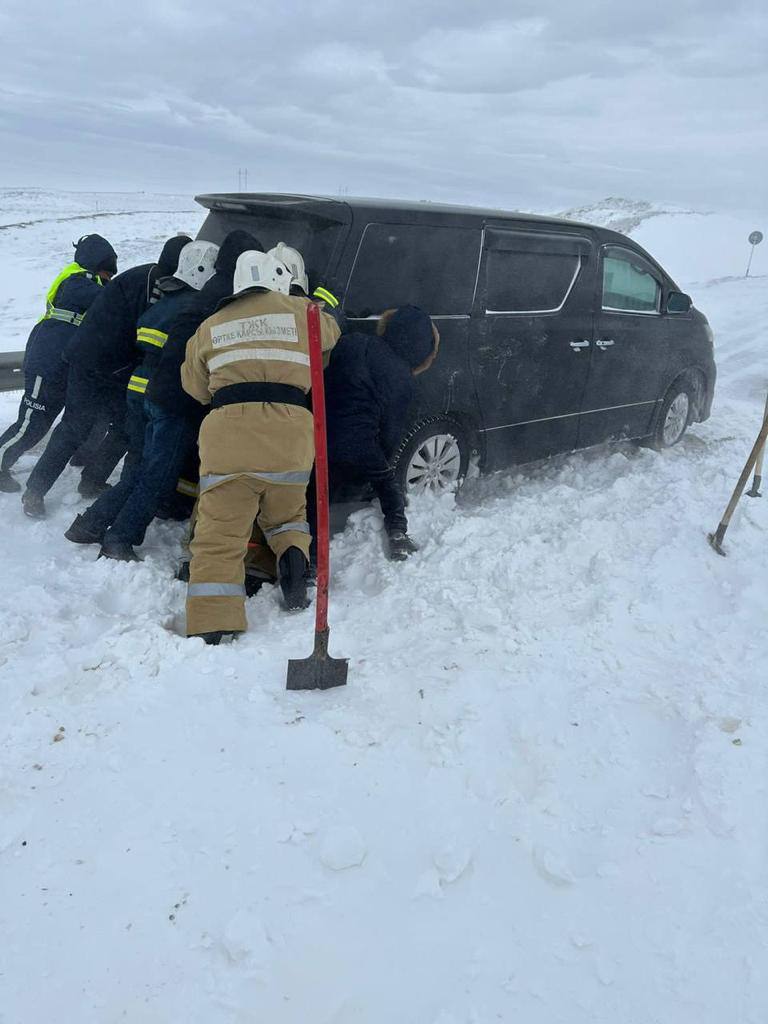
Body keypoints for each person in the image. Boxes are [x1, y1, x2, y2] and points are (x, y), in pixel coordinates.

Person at [181, 249, 340, 645]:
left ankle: (215, 621)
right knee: (288, 514)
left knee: (220, 533)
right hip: (291, 433)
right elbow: (332, 335)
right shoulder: (303, 312)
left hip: (229, 435)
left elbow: (194, 387)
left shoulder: (211, 325)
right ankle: (292, 567)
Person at [63, 241, 219, 560]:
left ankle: (90, 523)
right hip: (167, 396)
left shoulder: (163, 301)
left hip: (138, 389)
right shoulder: (195, 309)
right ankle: (120, 538)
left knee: (137, 468)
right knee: (157, 475)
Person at [18, 235, 191, 515]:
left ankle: (92, 480)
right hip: (91, 362)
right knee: (75, 427)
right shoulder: (152, 284)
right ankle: (34, 492)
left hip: (114, 366)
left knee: (123, 429)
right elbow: (144, 333)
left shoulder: (152, 277)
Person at [0, 234, 118, 493]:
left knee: (72, 419)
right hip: (48, 363)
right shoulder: (78, 282)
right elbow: (111, 301)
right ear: (99, 265)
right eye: (108, 273)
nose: (110, 279)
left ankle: (81, 454)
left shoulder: (87, 283)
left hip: (63, 364)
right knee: (32, 424)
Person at [320, 305, 440, 560]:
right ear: (423, 349)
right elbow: (390, 434)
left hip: (318, 430)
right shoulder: (403, 381)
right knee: (388, 484)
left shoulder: (352, 342)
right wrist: (378, 465)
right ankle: (397, 533)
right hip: (360, 443)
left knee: (313, 488)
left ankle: (307, 553)